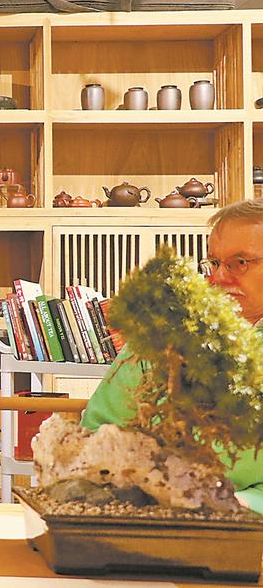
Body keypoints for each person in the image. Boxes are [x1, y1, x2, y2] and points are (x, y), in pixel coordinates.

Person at [82, 198, 263, 513]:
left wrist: (240, 505)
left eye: (240, 262)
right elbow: (98, 429)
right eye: (214, 263)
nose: (220, 277)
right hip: (145, 512)